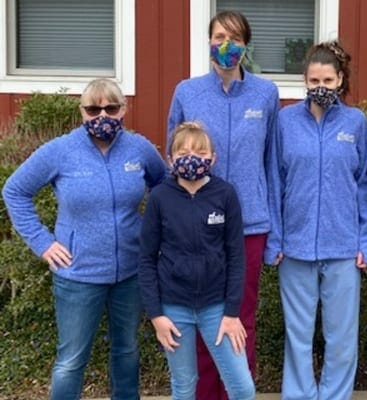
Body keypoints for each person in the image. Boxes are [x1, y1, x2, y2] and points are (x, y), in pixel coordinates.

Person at [1, 78, 167, 400]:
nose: (101, 115)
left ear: (124, 110)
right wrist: (43, 243)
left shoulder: (139, 149)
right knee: (71, 360)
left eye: (111, 107)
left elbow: (163, 187)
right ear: (82, 111)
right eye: (93, 108)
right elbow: (15, 191)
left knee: (127, 351)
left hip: (131, 273)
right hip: (78, 275)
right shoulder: (60, 151)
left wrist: (152, 230)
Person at [166, 11, 279, 399]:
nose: (225, 45)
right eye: (218, 36)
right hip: (197, 227)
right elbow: (173, 158)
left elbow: (271, 164)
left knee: (238, 320)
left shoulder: (266, 94)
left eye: (233, 38)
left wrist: (274, 232)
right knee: (198, 320)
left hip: (249, 227)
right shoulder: (187, 92)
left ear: (246, 45)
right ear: (208, 41)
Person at [265, 40, 367, 400]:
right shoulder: (285, 121)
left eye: (328, 79)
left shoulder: (355, 122)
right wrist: (275, 239)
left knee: (341, 336)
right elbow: (275, 182)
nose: (321, 87)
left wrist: (365, 241)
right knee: (298, 333)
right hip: (295, 247)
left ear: (340, 79)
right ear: (304, 81)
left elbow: (365, 186)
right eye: (314, 80)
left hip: (343, 246)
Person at [138, 122, 255, 400]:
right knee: (184, 385)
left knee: (242, 387)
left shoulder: (225, 194)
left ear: (212, 158)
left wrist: (231, 312)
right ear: (170, 160)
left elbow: (236, 256)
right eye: (183, 151)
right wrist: (156, 316)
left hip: (216, 309)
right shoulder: (159, 197)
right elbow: (146, 259)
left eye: (200, 151)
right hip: (173, 309)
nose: (192, 157)